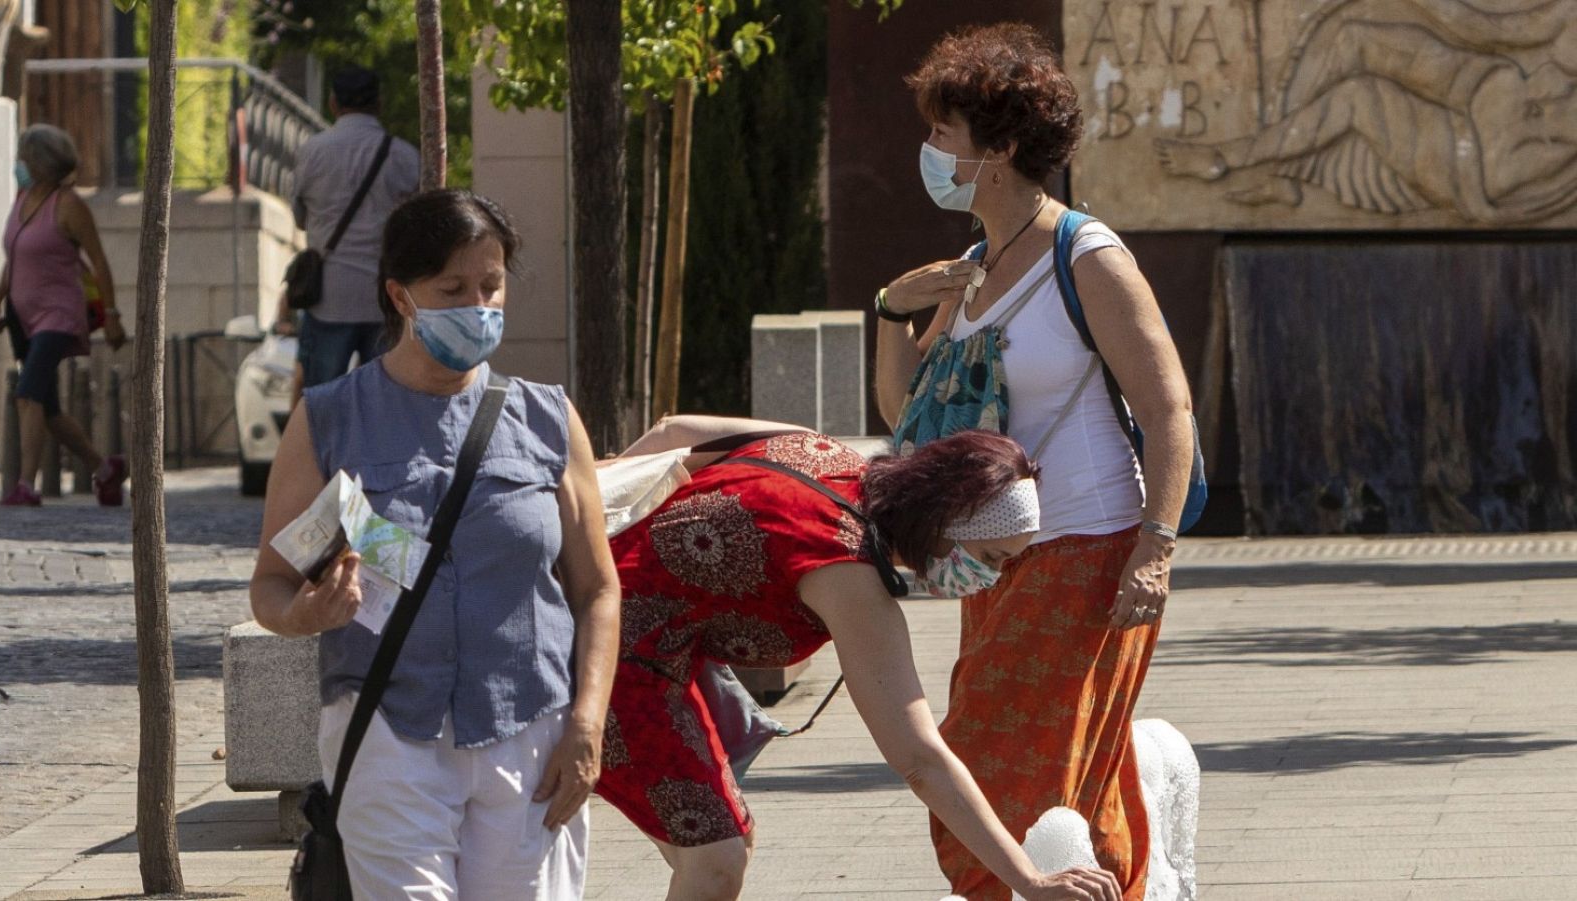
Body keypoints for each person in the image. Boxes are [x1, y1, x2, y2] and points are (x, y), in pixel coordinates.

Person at [872, 24, 1195, 901]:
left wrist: (1154, 548)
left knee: (1024, 771)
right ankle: (1129, 877)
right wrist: (890, 308)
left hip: (1090, 545)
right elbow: (909, 419)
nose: (931, 150)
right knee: (1039, 766)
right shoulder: (974, 265)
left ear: (1002, 148)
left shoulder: (1084, 255)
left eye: (945, 133)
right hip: (999, 557)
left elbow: (1170, 408)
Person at [249, 189, 619, 899]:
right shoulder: (330, 418)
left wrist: (588, 720)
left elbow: (598, 587)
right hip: (388, 729)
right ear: (401, 294)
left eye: (491, 285)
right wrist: (304, 615)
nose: (478, 305)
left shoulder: (546, 418)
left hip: (531, 731)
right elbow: (271, 581)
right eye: (452, 288)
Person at [595, 414, 1123, 901]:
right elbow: (919, 758)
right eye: (989, 558)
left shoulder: (821, 451)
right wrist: (1030, 880)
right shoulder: (846, 571)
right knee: (716, 858)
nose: (991, 578)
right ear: (943, 523)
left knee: (723, 841)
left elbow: (672, 432)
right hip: (609, 655)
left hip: (611, 621)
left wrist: (589, 513)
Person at [1154, 2, 1577, 222]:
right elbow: (1492, 30)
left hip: (1481, 160)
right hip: (1495, 87)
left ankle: (1227, 157)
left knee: (1357, 97)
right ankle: (1283, 173)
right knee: (1353, 37)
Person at [0, 124, 127, 507]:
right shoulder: (22, 198)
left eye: (25, 159)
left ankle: (25, 486)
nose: (19, 165)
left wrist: (112, 314)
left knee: (27, 391)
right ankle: (105, 469)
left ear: (41, 163)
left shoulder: (68, 206)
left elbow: (98, 261)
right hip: (21, 315)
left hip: (57, 315)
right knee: (47, 410)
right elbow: (13, 257)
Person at [287, 66, 420, 389]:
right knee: (387, 399)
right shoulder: (404, 155)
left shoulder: (312, 152)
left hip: (327, 298)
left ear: (333, 103)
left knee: (322, 401)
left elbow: (300, 217)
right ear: (379, 104)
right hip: (384, 298)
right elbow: (417, 226)